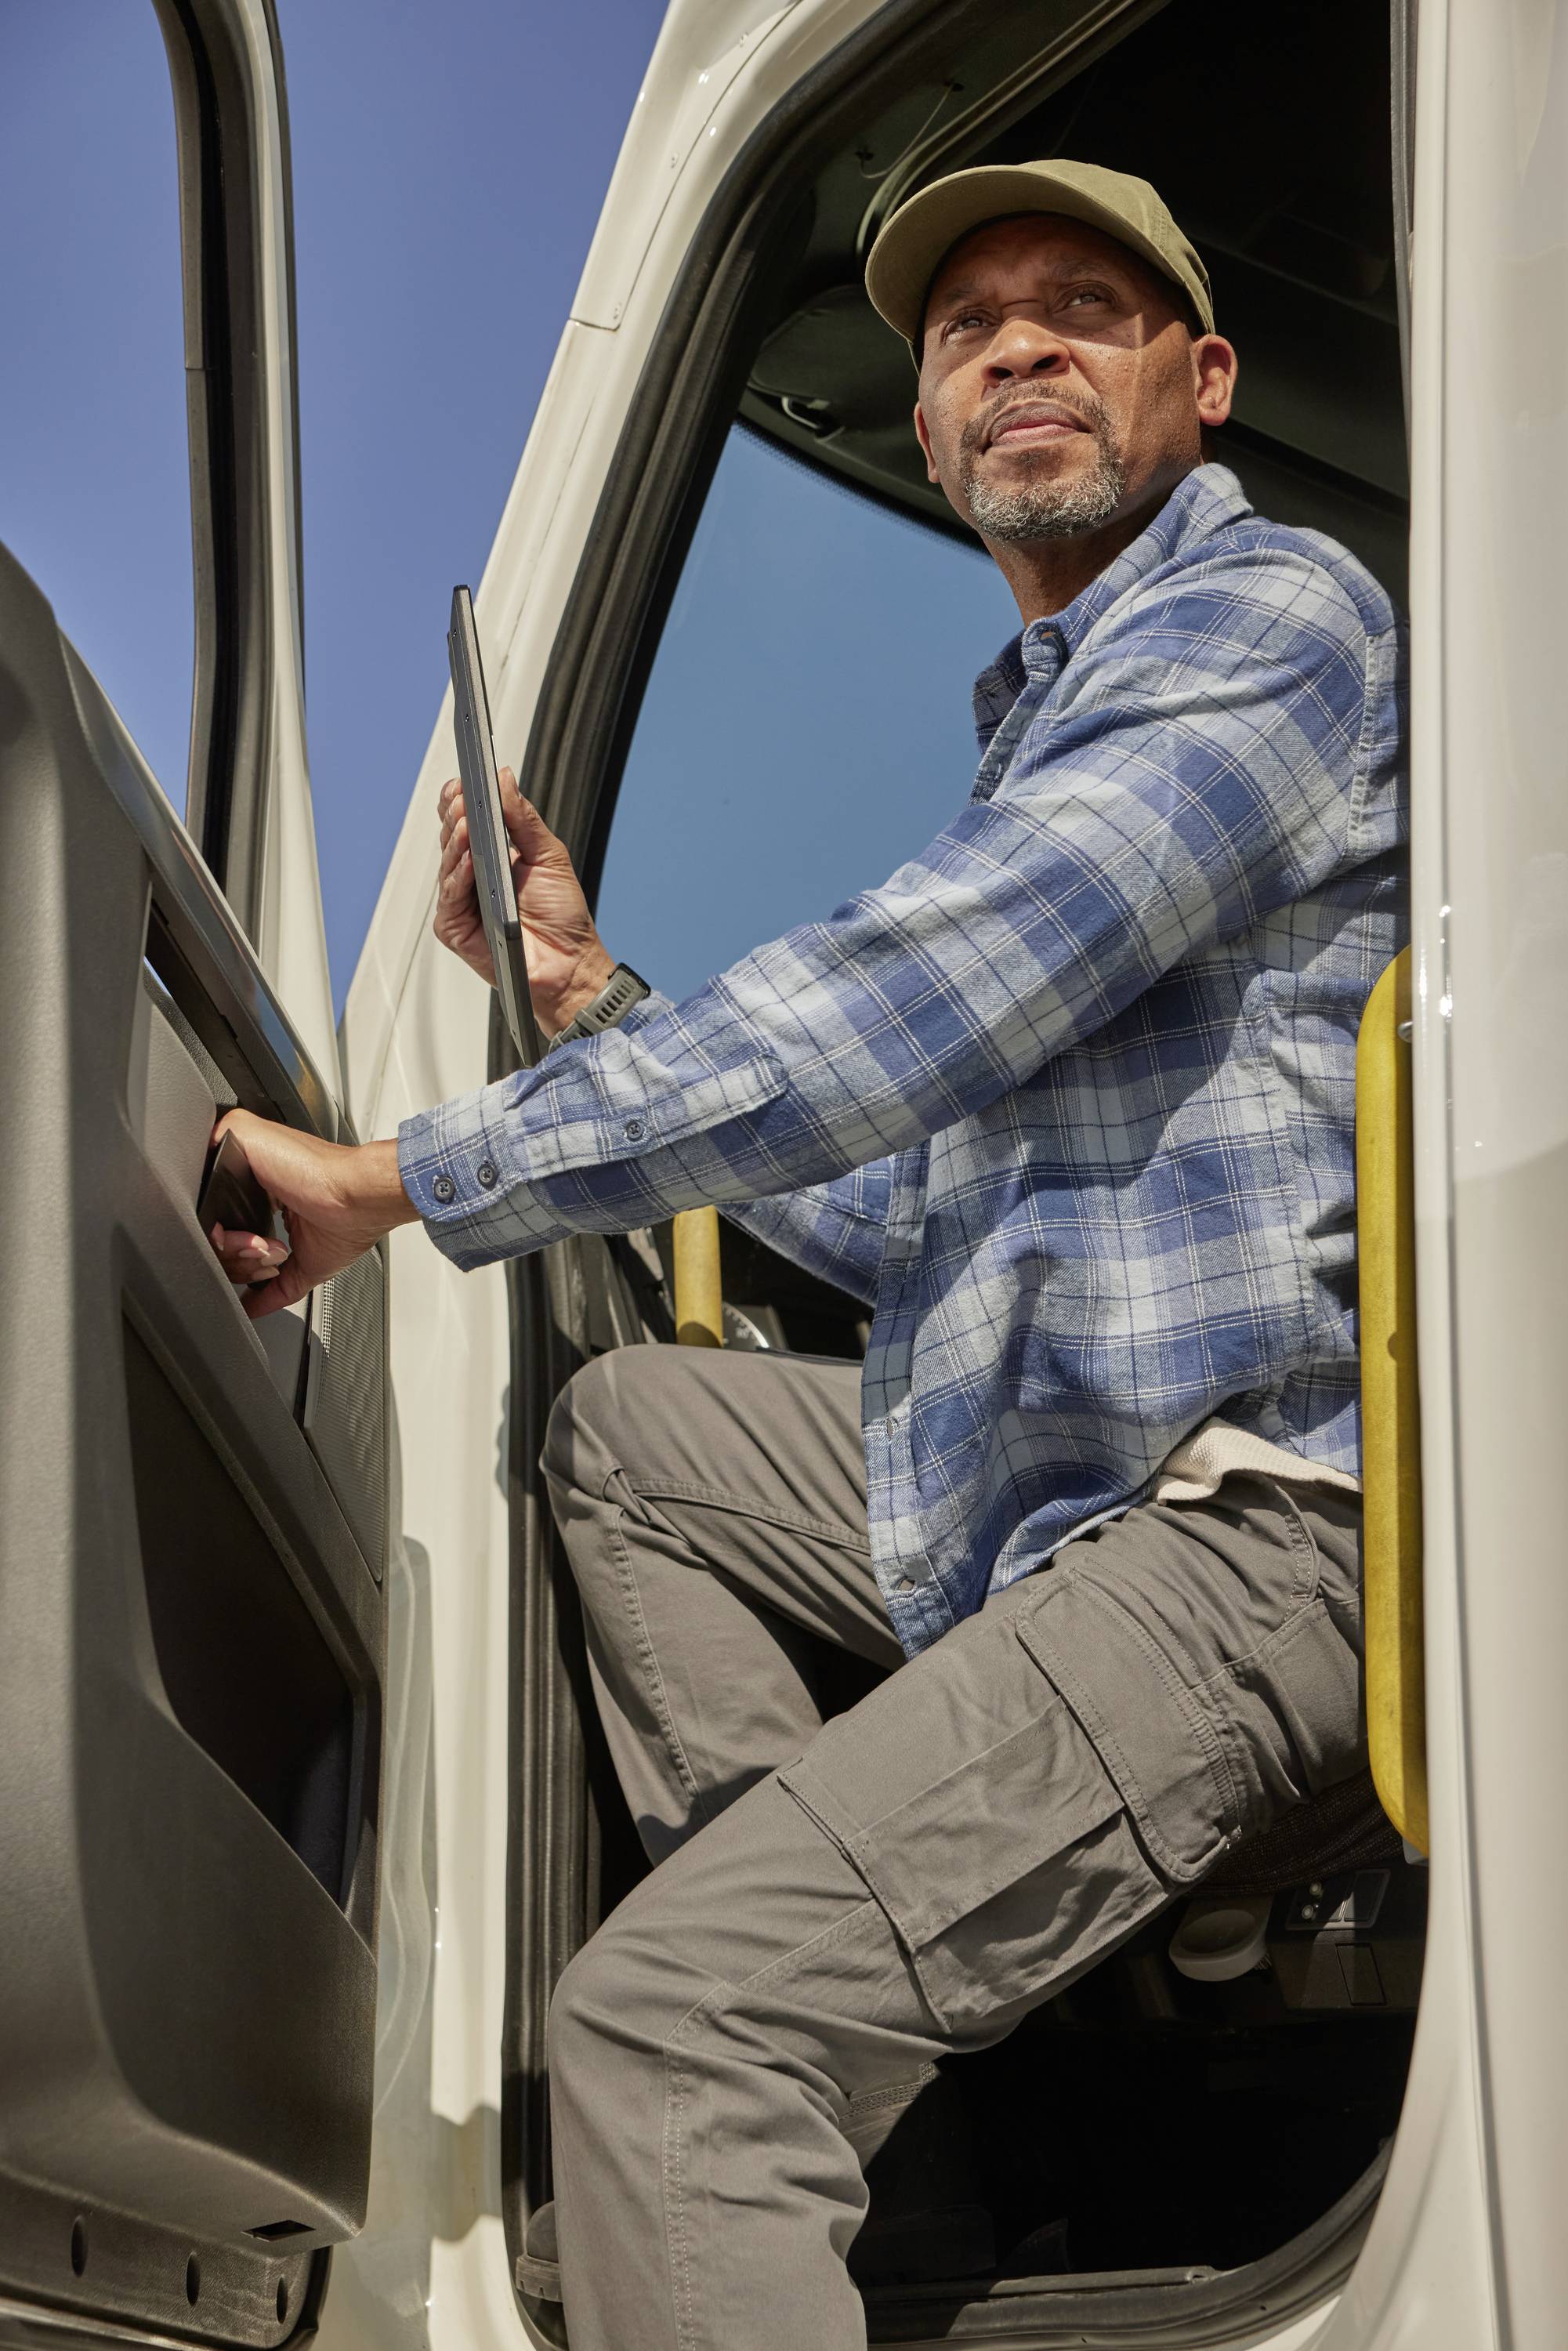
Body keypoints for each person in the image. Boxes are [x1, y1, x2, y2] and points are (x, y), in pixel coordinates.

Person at [212, 161, 1404, 2351]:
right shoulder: (1050, 717)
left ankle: (781, 2038)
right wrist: (578, 995)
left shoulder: (1271, 623)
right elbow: (898, 1203)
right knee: (643, 1425)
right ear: (935, 426)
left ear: (1202, 383)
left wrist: (397, 1175)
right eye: (967, 334)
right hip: (1065, 1497)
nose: (1018, 350)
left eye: (1082, 311)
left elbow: (904, 1009)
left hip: (1255, 1529)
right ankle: (875, 2046)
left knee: (673, 2036)